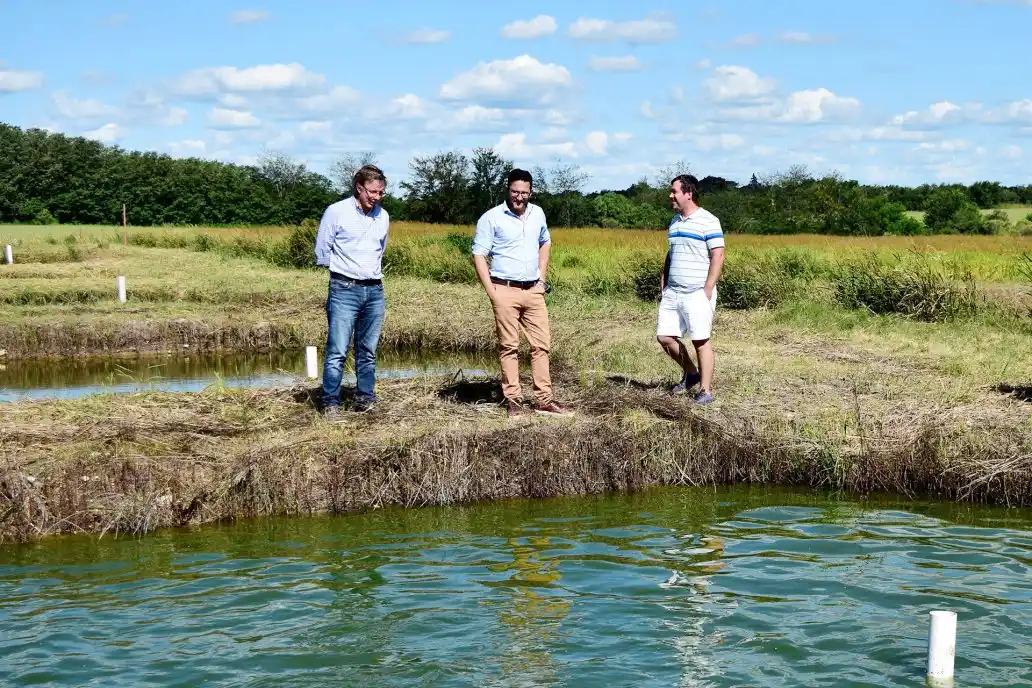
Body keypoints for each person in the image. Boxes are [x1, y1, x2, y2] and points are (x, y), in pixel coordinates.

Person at [472, 168, 571, 418]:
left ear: (531, 192)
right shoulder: (491, 218)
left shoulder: (538, 213)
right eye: (515, 192)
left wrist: (542, 278)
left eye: (524, 193)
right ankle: (513, 400)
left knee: (541, 346)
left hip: (534, 290)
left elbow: (545, 241)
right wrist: (491, 291)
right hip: (504, 289)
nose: (519, 197)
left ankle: (544, 400)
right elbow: (479, 254)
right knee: (509, 346)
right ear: (507, 190)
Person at [314, 164, 390, 417]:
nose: (376, 197)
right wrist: (343, 272)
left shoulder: (383, 216)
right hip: (344, 289)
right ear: (359, 188)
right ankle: (331, 402)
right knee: (338, 350)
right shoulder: (336, 212)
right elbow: (323, 249)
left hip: (374, 289)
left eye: (380, 192)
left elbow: (381, 250)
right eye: (372, 192)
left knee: (367, 350)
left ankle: (365, 397)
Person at [656, 174, 725, 405]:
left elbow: (718, 255)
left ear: (689, 193)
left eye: (674, 191)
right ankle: (691, 372)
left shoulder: (709, 221)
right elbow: (671, 254)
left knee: (700, 341)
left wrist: (708, 288)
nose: (670, 195)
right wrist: (664, 280)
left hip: (697, 292)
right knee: (665, 337)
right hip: (673, 292)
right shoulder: (674, 222)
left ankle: (705, 390)